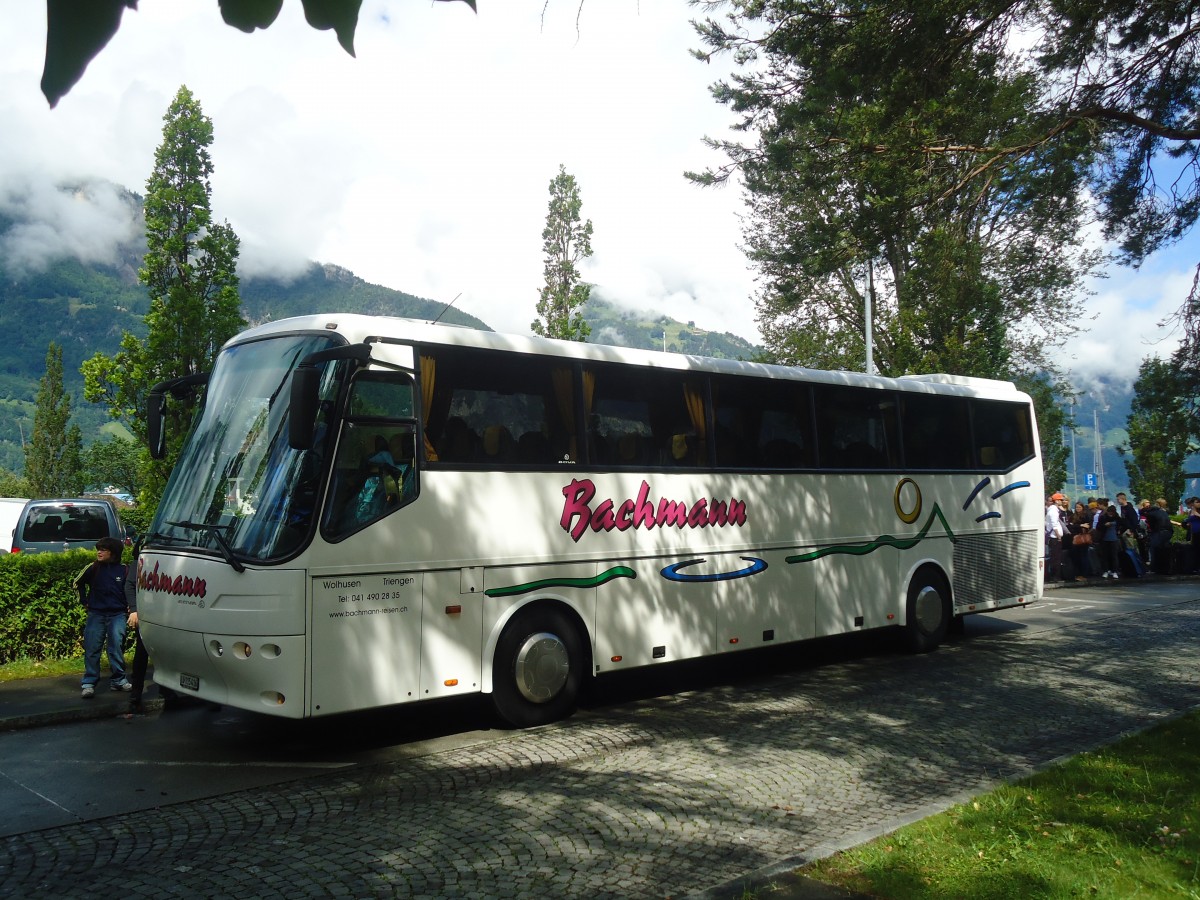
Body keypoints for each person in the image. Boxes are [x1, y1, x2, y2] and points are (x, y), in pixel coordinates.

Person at [74, 536, 132, 698]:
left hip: (118, 614)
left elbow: (130, 590)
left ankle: (118, 680)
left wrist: (130, 606)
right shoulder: (92, 568)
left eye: (103, 550)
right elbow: (77, 583)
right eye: (98, 549)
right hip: (96, 614)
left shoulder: (124, 570)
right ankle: (89, 682)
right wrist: (84, 601)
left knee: (116, 648)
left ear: (113, 553)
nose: (99, 552)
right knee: (92, 648)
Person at [1144, 497, 1174, 575]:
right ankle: (1167, 568)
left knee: (1154, 549)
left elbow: (1151, 525)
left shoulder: (1150, 513)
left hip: (1159, 532)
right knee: (1165, 550)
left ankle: (1154, 568)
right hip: (1169, 531)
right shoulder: (1163, 512)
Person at [1067, 500, 1094, 580]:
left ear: (1082, 508)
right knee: (1077, 557)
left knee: (1084, 556)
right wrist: (1080, 525)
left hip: (1083, 538)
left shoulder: (1086, 515)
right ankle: (1077, 573)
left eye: (1079, 507)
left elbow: (1088, 526)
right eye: (1076, 507)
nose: (1078, 508)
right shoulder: (1073, 516)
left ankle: (1084, 574)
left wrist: (1078, 526)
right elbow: (1070, 526)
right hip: (1075, 538)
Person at [1097, 503, 1122, 578]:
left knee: (1114, 556)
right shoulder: (1103, 518)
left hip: (1114, 539)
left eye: (1112, 513)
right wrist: (1104, 525)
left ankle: (1114, 570)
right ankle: (1106, 570)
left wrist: (1119, 531)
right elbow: (1098, 527)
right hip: (1105, 538)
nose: (1110, 514)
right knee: (1105, 556)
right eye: (1109, 513)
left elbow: (1122, 525)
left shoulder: (1117, 518)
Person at [1045, 493, 1065, 581]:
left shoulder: (1053, 510)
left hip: (1054, 537)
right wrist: (1059, 536)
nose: (1062, 501)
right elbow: (1054, 525)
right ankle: (1055, 576)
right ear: (1056, 501)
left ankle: (1055, 575)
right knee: (1056, 558)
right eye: (1060, 500)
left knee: (1055, 557)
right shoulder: (1053, 511)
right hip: (1054, 537)